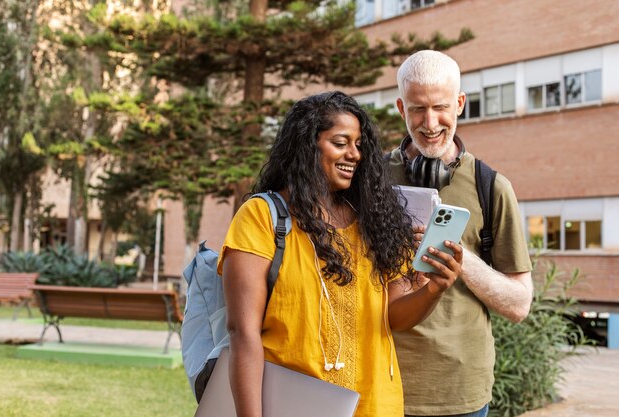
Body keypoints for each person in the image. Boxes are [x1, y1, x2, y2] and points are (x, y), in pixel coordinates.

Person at [218, 91, 464, 417]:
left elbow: (395, 317)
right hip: (295, 405)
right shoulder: (261, 217)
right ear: (307, 146)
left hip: (376, 405)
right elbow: (243, 334)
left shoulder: (373, 221)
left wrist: (434, 288)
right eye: (340, 142)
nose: (355, 154)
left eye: (359, 144)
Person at [388, 50, 534, 417]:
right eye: (418, 109)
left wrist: (458, 256)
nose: (430, 122)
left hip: (460, 391)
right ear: (401, 109)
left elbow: (519, 305)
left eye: (440, 107)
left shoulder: (492, 187)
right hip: (380, 379)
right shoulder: (368, 178)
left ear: (460, 104)